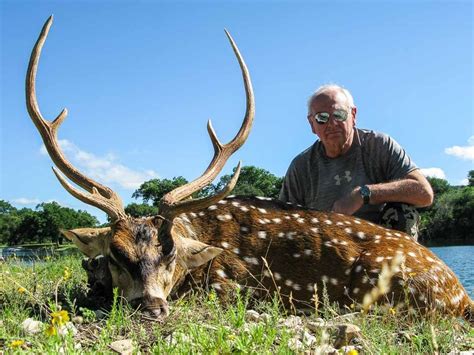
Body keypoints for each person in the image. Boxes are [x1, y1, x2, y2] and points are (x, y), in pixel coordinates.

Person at [279, 84, 433, 239]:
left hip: (381, 246)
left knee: (403, 213)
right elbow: (283, 223)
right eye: (321, 118)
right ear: (312, 124)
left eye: (339, 114)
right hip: (327, 250)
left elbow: (424, 193)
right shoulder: (301, 167)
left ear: (353, 115)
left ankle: (400, 264)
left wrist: (363, 194)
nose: (332, 123)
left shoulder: (380, 145)